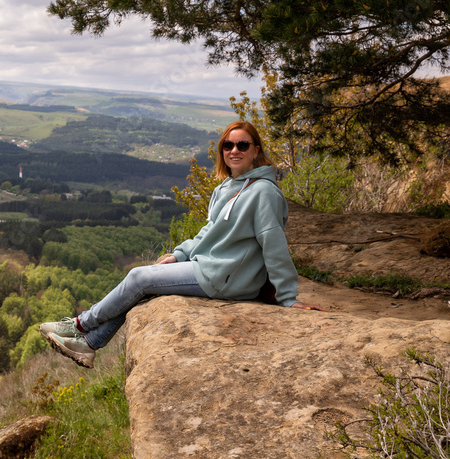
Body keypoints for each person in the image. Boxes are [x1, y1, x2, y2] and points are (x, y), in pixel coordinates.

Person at [39, 120, 324, 368]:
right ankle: (90, 343)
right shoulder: (226, 187)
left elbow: (273, 244)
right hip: (207, 266)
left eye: (243, 145)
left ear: (256, 151)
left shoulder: (264, 192)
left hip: (227, 277)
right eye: (228, 145)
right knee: (148, 286)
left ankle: (79, 325)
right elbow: (209, 231)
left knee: (139, 277)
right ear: (222, 151)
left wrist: (289, 298)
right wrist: (180, 254)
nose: (234, 151)